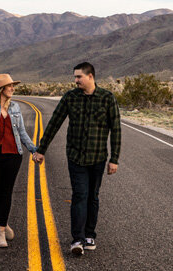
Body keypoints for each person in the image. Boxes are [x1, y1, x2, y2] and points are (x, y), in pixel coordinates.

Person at [32, 62, 121, 256]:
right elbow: (54, 122)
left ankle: (90, 235)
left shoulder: (107, 98)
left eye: (79, 77)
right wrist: (41, 149)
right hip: (76, 156)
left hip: (98, 157)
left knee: (93, 196)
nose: (75, 80)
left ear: (90, 77)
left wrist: (114, 159)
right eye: (75, 77)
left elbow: (116, 130)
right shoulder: (70, 98)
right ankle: (77, 239)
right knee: (80, 195)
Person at [0, 73, 38, 248]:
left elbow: (21, 132)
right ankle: (2, 220)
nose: (12, 88)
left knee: (6, 192)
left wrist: (34, 149)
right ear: (0, 89)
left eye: (13, 86)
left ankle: (1, 231)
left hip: (13, 155)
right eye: (9, 86)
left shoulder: (15, 108)